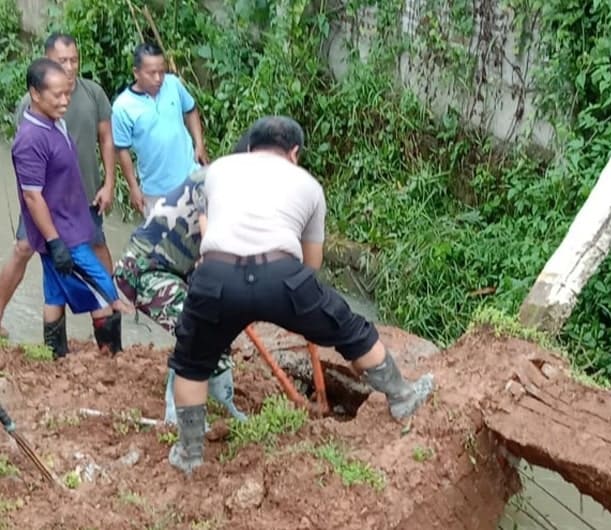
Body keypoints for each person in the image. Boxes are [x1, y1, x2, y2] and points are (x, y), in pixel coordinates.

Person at [166, 116, 434, 474]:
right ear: (294, 153)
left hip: (215, 275)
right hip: (281, 274)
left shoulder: (219, 170)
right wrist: (300, 308)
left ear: (249, 147)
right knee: (352, 330)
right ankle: (402, 396)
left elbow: (212, 226)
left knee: (191, 364)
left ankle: (190, 456)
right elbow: (311, 264)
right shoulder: (308, 185)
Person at [0, 32, 117, 337]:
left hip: (83, 196)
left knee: (95, 247)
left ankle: (103, 329)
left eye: (74, 60)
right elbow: (31, 163)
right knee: (27, 248)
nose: (69, 67)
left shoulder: (92, 94)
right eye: (61, 61)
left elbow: (107, 138)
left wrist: (109, 183)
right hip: (46, 203)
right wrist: (50, 232)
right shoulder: (33, 106)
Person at [113, 167, 246, 424]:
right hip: (143, 271)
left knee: (219, 318)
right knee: (195, 325)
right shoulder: (215, 182)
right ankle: (176, 408)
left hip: (176, 272)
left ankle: (223, 396)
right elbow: (212, 248)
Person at [111, 42, 208, 218]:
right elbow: (121, 149)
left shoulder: (173, 84)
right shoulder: (122, 107)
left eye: (161, 72)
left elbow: (191, 110)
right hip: (156, 191)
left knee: (203, 231)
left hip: (191, 176)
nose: (158, 78)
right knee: (163, 242)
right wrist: (133, 187)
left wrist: (199, 145)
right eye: (151, 73)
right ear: (136, 72)